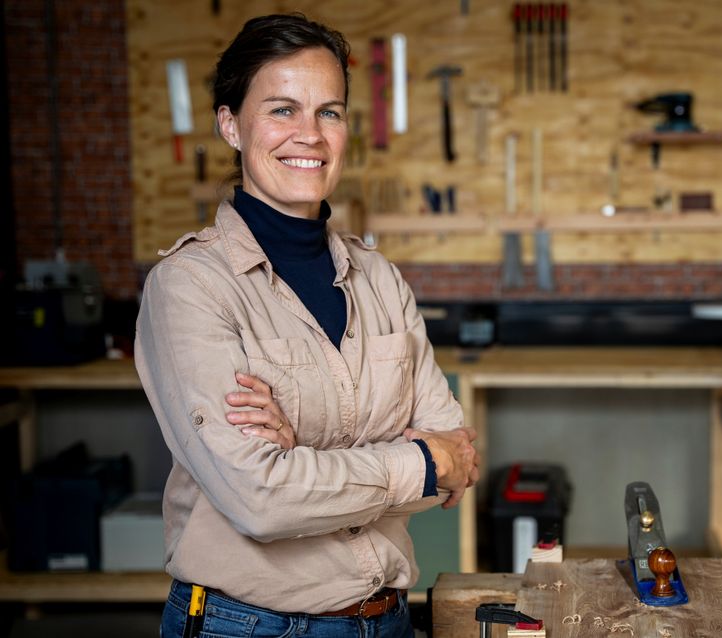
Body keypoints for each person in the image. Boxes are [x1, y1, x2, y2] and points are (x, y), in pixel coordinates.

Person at [135, 13, 479, 638]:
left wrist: (305, 458)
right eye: (282, 110)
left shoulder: (379, 280)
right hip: (248, 626)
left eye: (329, 112)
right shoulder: (190, 287)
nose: (310, 135)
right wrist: (415, 461)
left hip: (388, 620)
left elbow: (456, 466)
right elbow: (260, 500)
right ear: (230, 124)